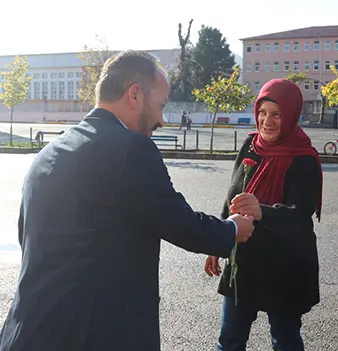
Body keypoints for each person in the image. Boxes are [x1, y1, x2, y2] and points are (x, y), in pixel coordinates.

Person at [0, 50, 255, 351]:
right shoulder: (130, 149)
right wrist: (232, 230)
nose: (161, 118)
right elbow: (179, 222)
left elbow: (27, 235)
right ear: (135, 95)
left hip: (26, 330)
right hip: (91, 335)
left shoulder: (51, 151)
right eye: (160, 105)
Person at [204, 78, 323, 351]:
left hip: (285, 265)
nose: (267, 121)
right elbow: (233, 197)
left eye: (277, 114)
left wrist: (263, 212)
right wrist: (219, 240)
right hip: (245, 261)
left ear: (292, 114)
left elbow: (300, 215)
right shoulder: (250, 146)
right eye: (262, 112)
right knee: (229, 340)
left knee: (285, 341)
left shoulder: (303, 157)